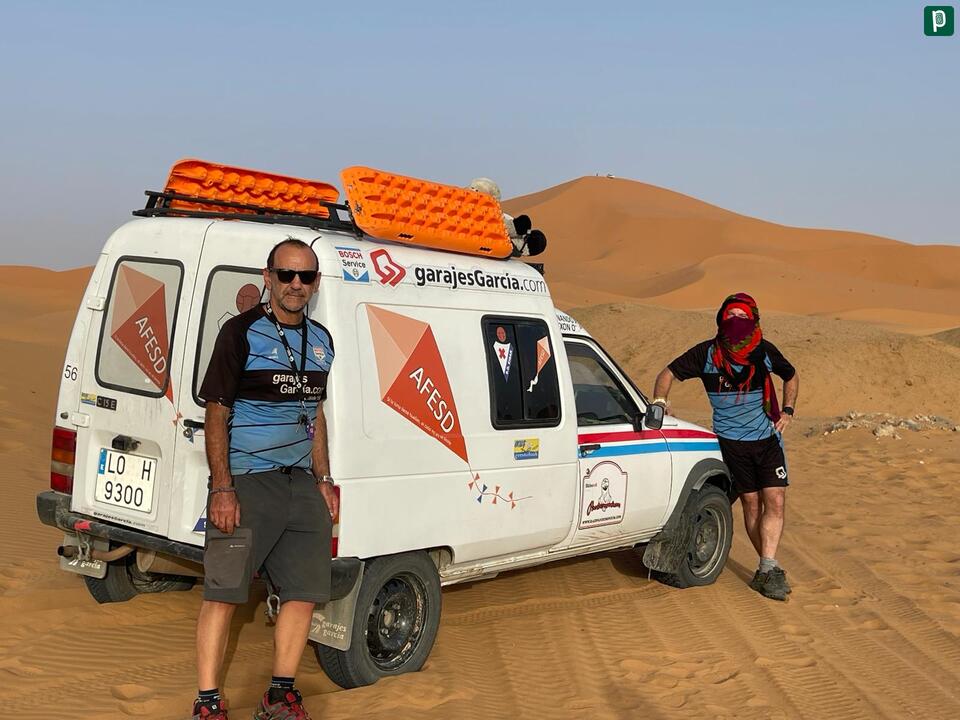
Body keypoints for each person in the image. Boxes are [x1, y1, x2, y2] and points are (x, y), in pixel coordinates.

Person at [192, 238, 338, 720]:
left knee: (304, 594)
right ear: (268, 276)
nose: (296, 284)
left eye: (306, 276)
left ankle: (279, 695)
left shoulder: (321, 341)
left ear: (315, 283)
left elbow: (314, 412)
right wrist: (223, 487)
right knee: (224, 592)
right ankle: (208, 703)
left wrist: (323, 478)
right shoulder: (240, 333)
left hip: (301, 486)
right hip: (247, 483)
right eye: (286, 274)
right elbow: (217, 412)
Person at [652, 293, 798, 601]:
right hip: (731, 444)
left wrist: (787, 410)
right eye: (731, 316)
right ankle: (768, 568)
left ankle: (767, 566)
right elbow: (667, 374)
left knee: (776, 501)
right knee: (752, 505)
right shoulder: (707, 354)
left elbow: (791, 375)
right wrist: (660, 402)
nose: (736, 322)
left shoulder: (763, 351)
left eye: (743, 317)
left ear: (753, 321)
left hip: (767, 440)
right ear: (721, 320)